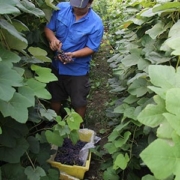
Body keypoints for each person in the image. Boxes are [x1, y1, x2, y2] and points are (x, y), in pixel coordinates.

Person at [44, 0, 104, 122]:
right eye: (74, 6)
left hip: (77, 68)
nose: (76, 9)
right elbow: (48, 28)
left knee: (78, 101)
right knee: (55, 97)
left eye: (80, 8)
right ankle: (52, 124)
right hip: (57, 64)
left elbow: (92, 48)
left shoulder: (96, 23)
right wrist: (53, 40)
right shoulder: (61, 8)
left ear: (89, 3)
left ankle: (78, 128)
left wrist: (73, 55)